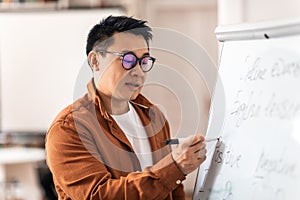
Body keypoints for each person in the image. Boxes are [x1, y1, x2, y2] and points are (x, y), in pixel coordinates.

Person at [45, 15, 207, 200]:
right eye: (127, 59)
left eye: (144, 61)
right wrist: (174, 166)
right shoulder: (69, 128)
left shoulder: (154, 118)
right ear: (95, 61)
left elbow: (173, 191)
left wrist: (176, 169)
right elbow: (99, 196)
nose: (137, 71)